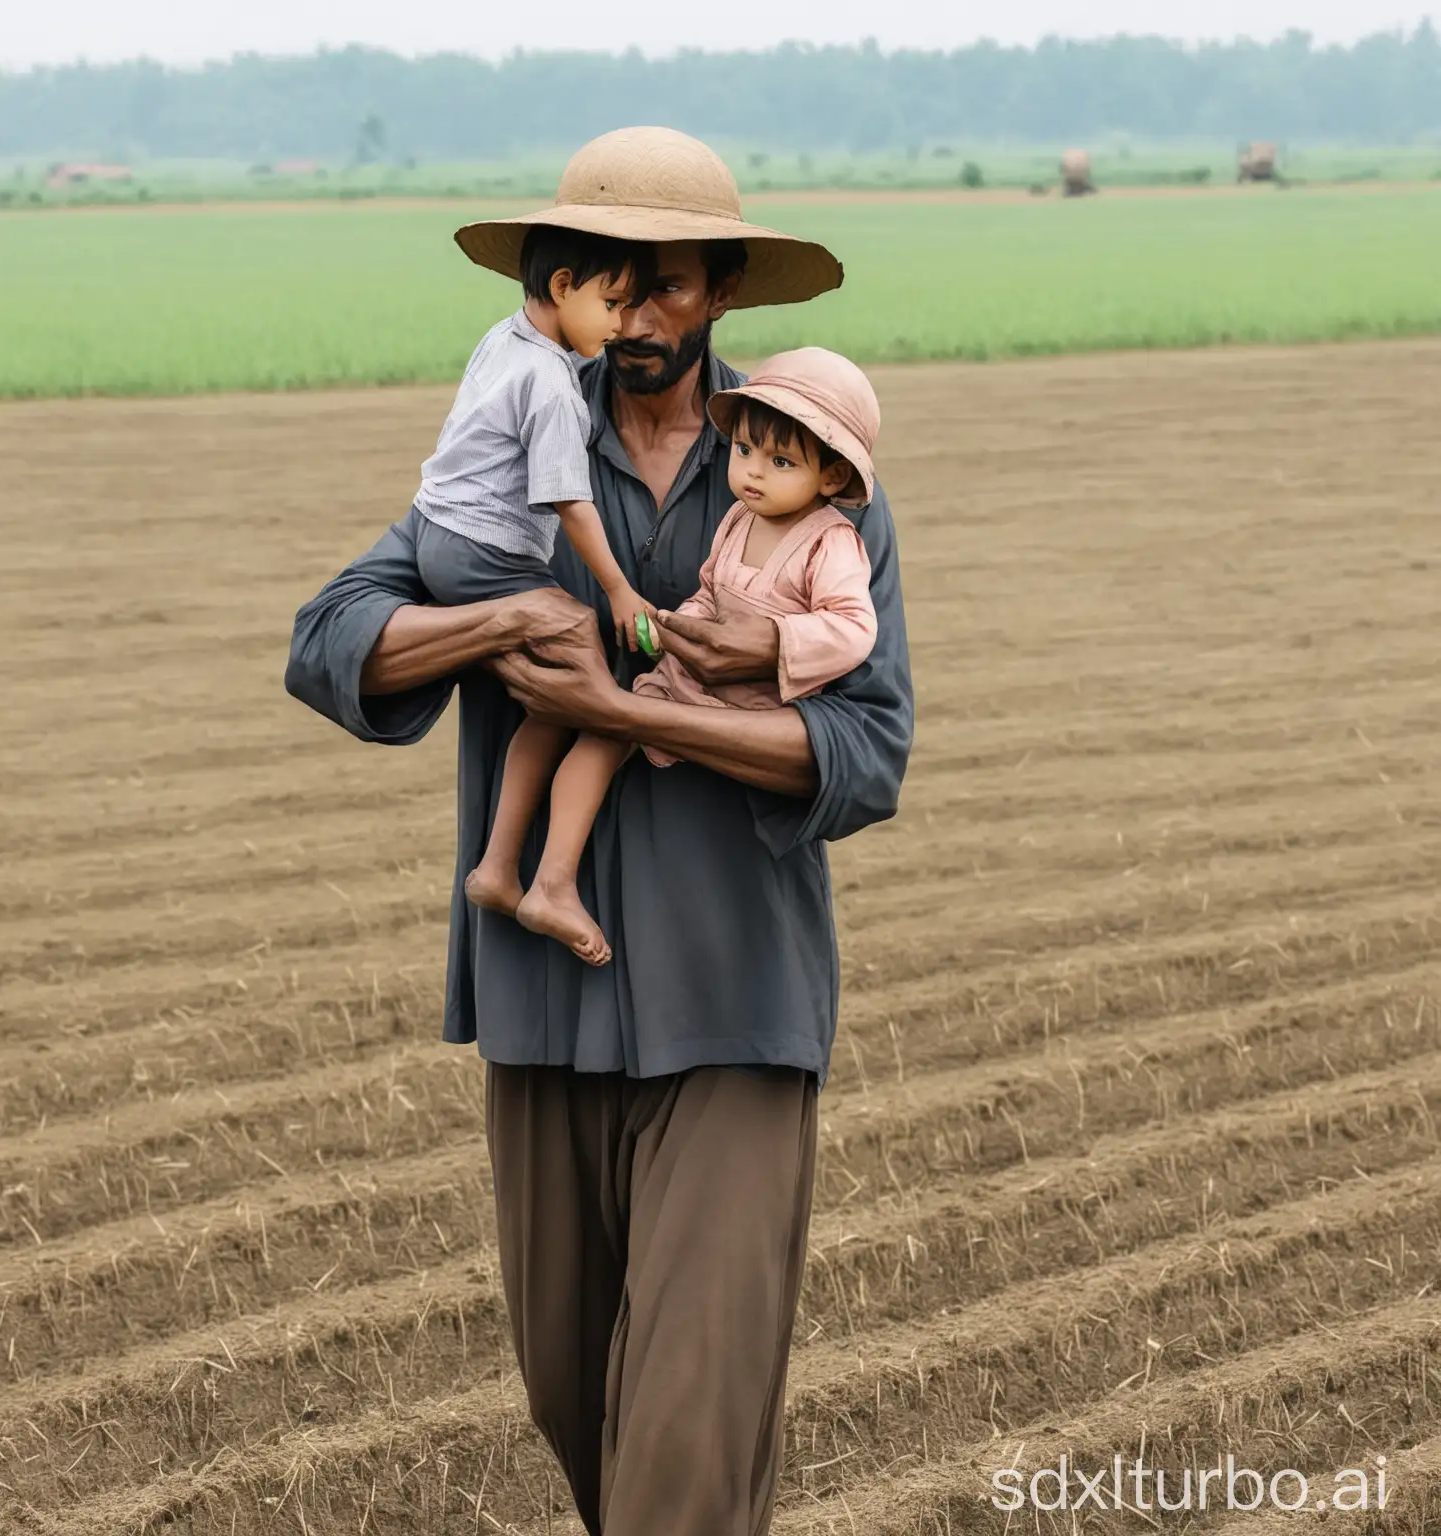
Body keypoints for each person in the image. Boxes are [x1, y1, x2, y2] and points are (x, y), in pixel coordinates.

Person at [285, 126, 914, 1536]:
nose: (638, 313)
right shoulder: (512, 437)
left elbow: (867, 750)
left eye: (672, 285)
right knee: (580, 1411)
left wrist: (630, 709)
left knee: (680, 1458)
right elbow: (328, 642)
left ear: (725, 291)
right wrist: (506, 618)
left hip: (737, 1008)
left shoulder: (812, 481)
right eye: (610, 280)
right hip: (541, 1011)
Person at [530, 346, 882, 966]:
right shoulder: (737, 522)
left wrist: (777, 643)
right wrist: (678, 628)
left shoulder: (832, 543)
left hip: (753, 707)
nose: (752, 473)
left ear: (830, 477)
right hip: (689, 678)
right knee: (601, 730)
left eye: (780, 461)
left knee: (690, 765)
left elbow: (853, 628)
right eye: (744, 451)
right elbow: (708, 590)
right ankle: (552, 879)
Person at [408, 223, 661, 964]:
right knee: (597, 690)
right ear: (561, 289)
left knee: (551, 704)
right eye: (613, 303)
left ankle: (495, 867)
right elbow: (569, 503)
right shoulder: (555, 385)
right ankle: (548, 881)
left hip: (438, 536)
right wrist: (619, 591)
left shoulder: (503, 339)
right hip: (486, 552)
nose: (622, 325)